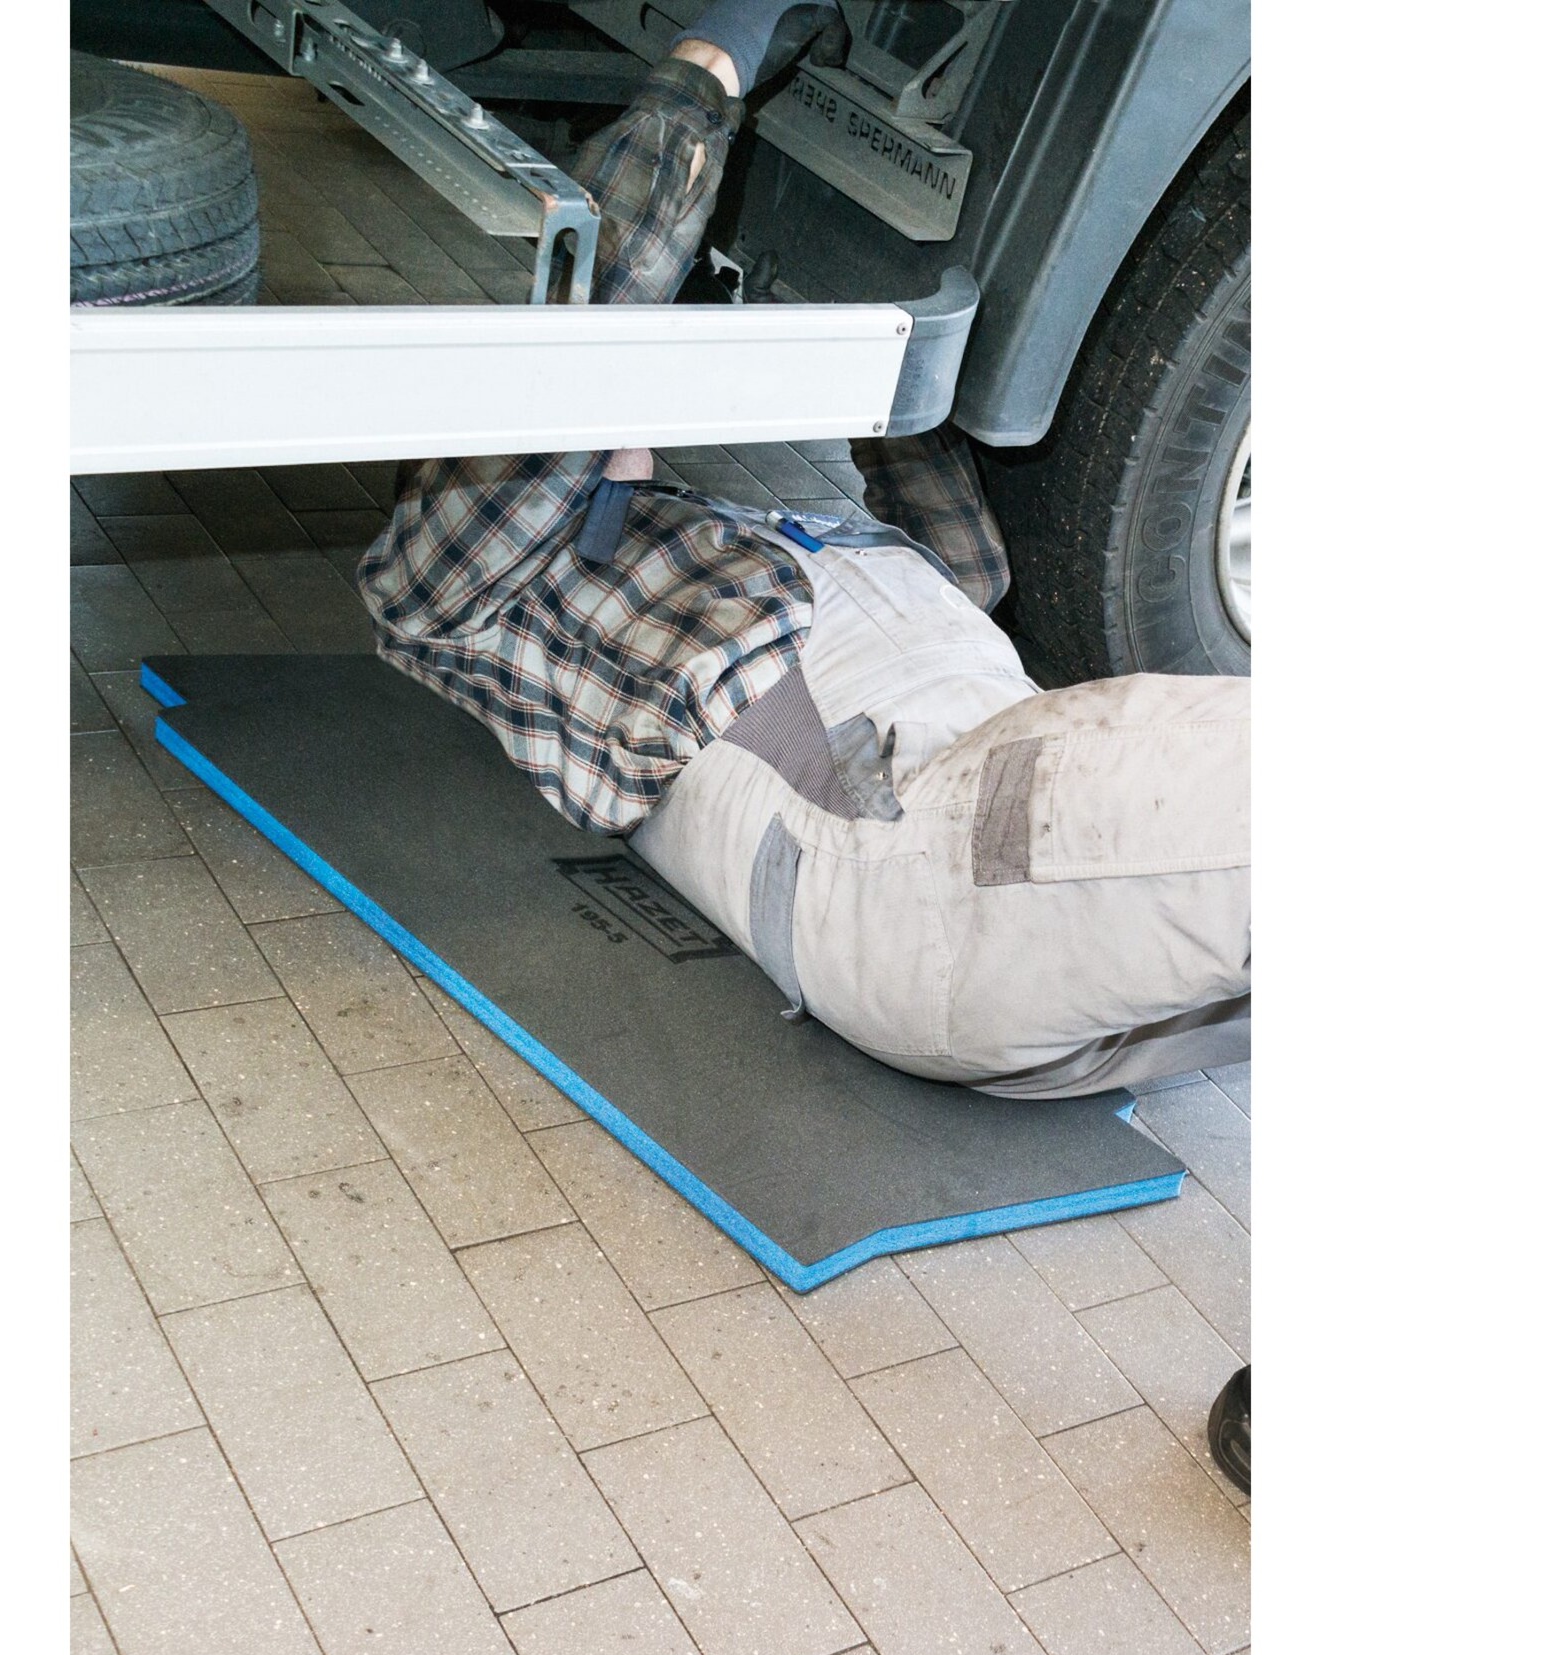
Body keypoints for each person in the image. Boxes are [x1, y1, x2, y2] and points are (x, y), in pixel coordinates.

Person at [357, 8, 1250, 1100]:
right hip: (900, 859)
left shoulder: (743, 544)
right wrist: (712, 64)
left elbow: (939, 494)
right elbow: (583, 330)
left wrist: (866, 250)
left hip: (1015, 867)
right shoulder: (449, 579)